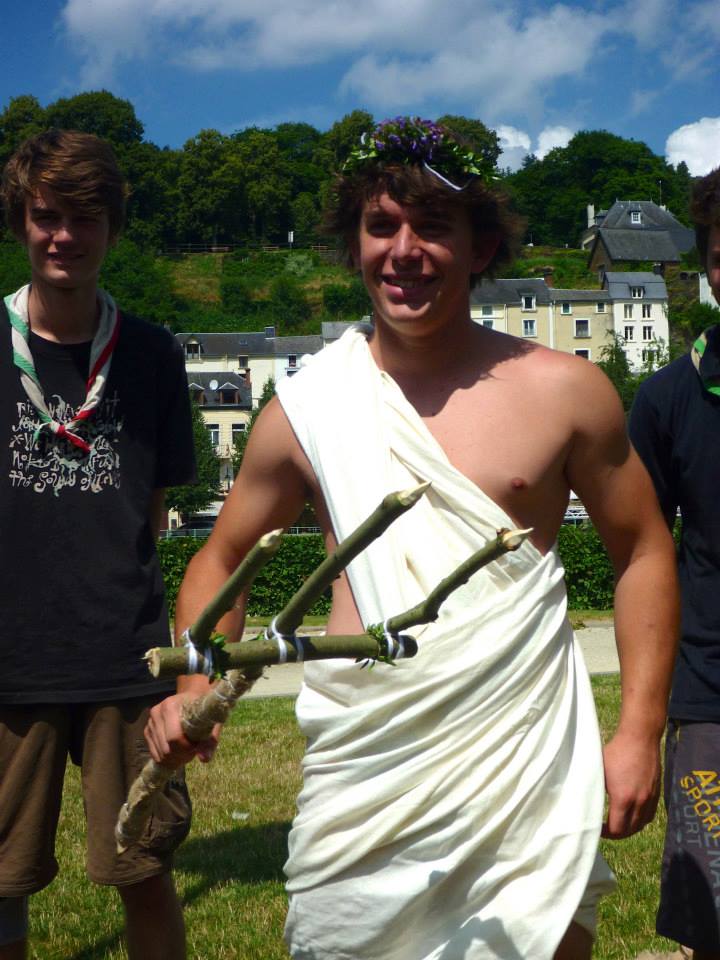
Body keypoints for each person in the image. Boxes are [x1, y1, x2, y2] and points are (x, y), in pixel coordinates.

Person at [146, 116, 679, 960]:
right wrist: (194, 681)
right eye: (381, 226)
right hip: (366, 771)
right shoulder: (308, 408)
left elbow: (643, 550)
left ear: (480, 247)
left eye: (433, 226)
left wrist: (638, 732)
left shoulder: (566, 392)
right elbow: (222, 556)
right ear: (353, 245)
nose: (404, 251)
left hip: (524, 761)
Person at [0, 130, 196, 960]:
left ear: (113, 227)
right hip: (9, 663)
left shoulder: (151, 355)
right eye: (47, 216)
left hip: (128, 663)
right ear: (20, 222)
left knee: (143, 869)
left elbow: (149, 512)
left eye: (85, 218)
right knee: (0, 886)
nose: (64, 237)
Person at [629, 167, 720, 960]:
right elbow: (642, 558)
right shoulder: (667, 398)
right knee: (710, 914)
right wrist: (643, 720)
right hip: (710, 693)